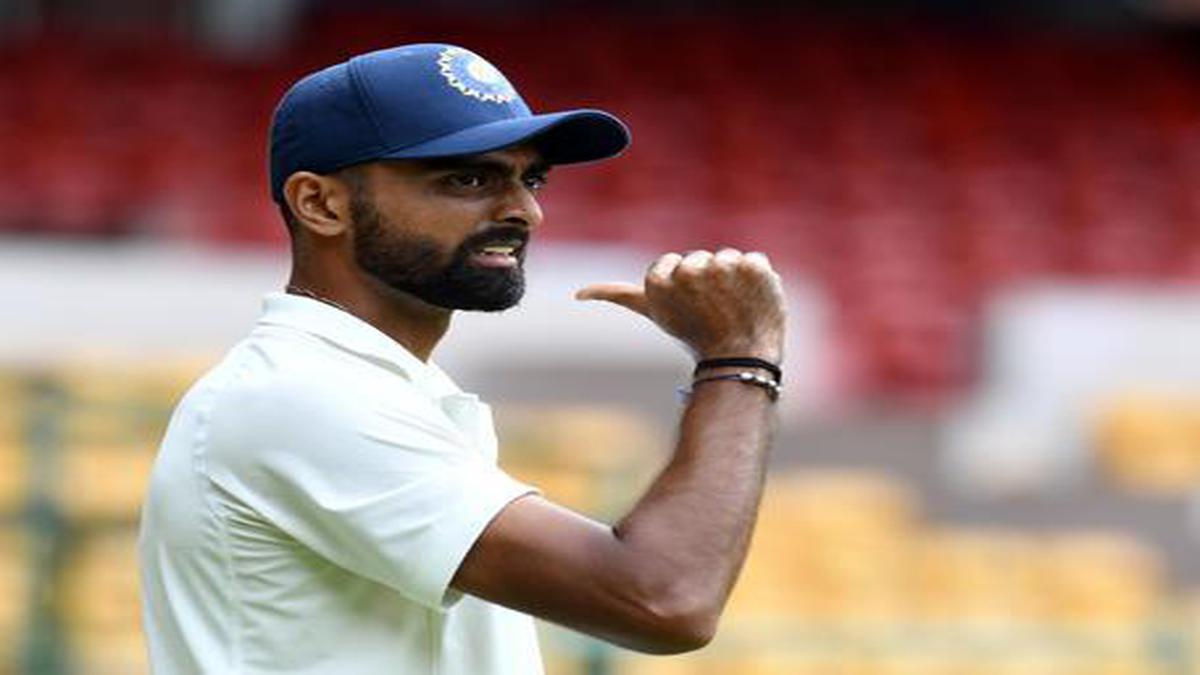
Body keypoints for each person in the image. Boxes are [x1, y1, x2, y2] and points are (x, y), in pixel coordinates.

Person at [138, 43, 786, 675]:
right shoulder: (301, 394)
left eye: (530, 178)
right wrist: (738, 357)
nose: (524, 209)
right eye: (468, 177)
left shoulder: (371, 384)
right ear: (320, 203)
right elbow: (664, 597)